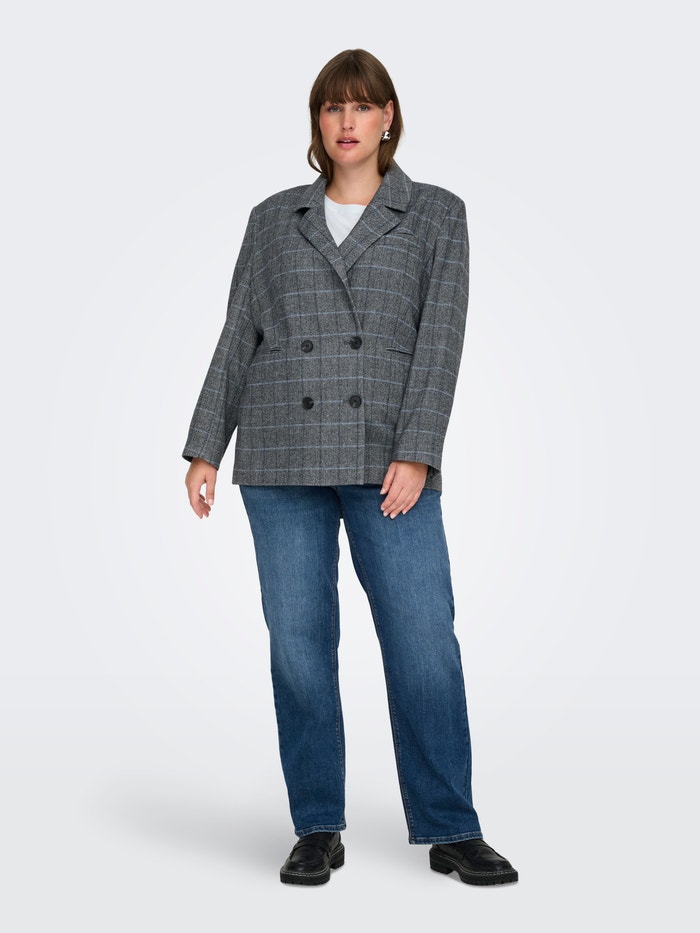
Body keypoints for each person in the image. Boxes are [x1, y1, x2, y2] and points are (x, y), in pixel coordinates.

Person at [183, 48, 517, 887]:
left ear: (387, 117)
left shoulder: (435, 213)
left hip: (388, 459)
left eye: (362, 106)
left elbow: (440, 339)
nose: (346, 121)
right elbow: (239, 331)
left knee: (423, 641)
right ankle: (316, 825)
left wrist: (418, 449)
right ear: (318, 120)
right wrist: (205, 444)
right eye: (333, 107)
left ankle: (450, 825)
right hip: (280, 454)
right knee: (299, 648)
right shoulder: (274, 217)